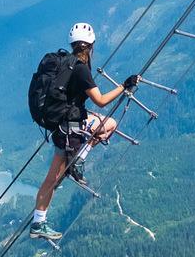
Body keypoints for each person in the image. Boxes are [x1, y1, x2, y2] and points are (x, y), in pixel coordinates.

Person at [29, 22, 138, 241]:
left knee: (108, 124)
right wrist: (124, 86)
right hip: (69, 128)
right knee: (53, 179)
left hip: (65, 124)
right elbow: (100, 101)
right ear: (90, 45)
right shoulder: (80, 68)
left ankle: (78, 160)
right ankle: (38, 223)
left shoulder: (67, 64)